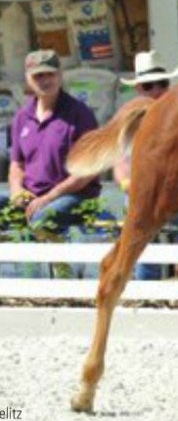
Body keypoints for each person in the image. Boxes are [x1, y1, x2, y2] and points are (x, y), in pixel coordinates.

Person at [0, 49, 101, 264]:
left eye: (50, 74)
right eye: (38, 75)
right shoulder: (22, 117)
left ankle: (59, 276)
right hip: (32, 197)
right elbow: (17, 164)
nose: (45, 80)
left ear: (60, 75)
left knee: (42, 218)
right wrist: (17, 191)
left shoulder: (79, 113)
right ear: (28, 79)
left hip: (75, 197)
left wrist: (49, 197)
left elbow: (89, 170)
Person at [116, 50, 178, 280]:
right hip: (143, 193)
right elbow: (120, 161)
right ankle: (148, 293)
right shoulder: (130, 120)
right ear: (138, 89)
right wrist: (128, 183)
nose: (156, 91)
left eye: (161, 84)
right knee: (141, 238)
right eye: (148, 86)